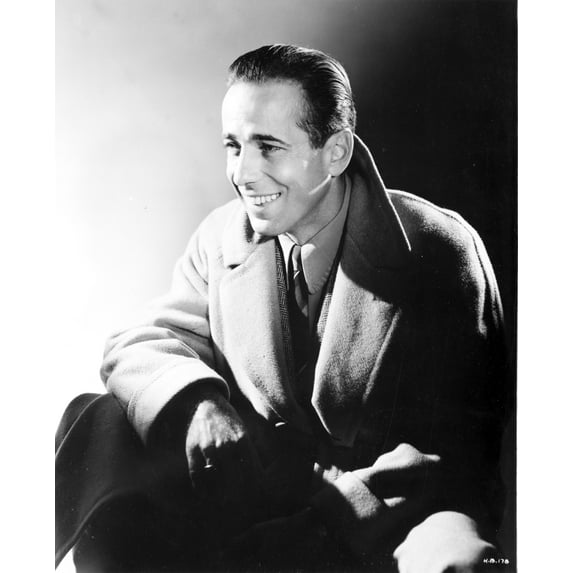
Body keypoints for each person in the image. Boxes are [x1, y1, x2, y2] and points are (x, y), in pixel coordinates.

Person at [56, 44, 511, 572]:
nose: (243, 174)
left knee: (458, 560)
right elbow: (139, 342)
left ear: (336, 152)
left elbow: (451, 458)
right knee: (105, 417)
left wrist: (312, 532)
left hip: (390, 512)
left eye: (268, 147)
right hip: (264, 497)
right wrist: (200, 403)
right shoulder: (221, 236)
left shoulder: (438, 250)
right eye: (233, 146)